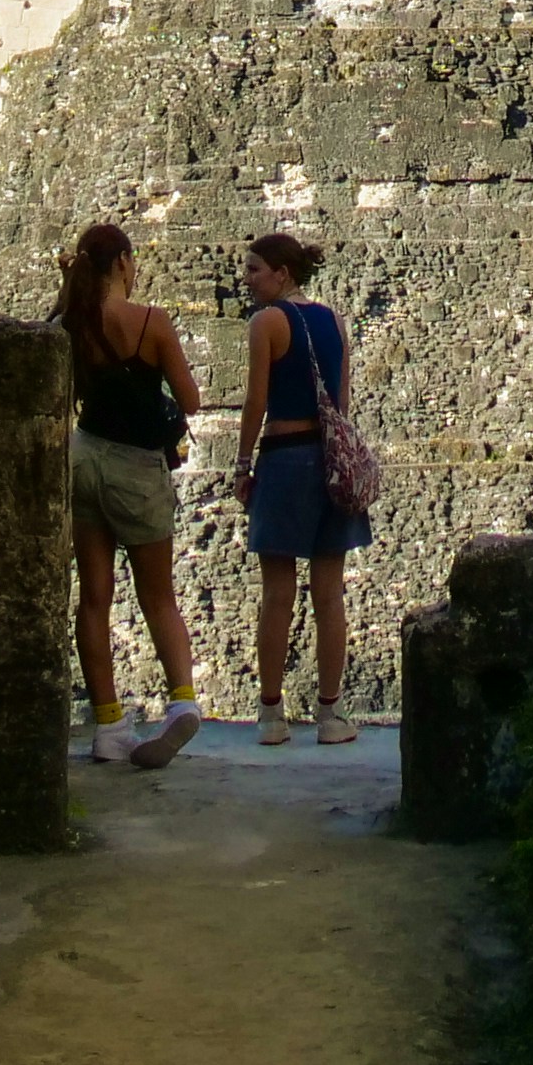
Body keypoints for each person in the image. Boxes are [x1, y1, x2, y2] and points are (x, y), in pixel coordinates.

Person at [56, 222, 207, 769]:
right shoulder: (151, 322)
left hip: (84, 456)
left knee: (94, 598)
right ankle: (181, 703)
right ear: (122, 262)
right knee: (157, 595)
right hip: (137, 469)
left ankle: (108, 723)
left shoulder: (71, 322)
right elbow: (189, 400)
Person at [231, 229, 370, 745]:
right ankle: (330, 714)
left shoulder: (267, 323)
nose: (246, 279)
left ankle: (271, 715)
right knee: (329, 592)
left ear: (281, 273)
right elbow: (343, 400)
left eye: (253, 269)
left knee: (278, 591)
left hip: (286, 459)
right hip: (330, 460)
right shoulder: (332, 319)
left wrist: (243, 464)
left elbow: (256, 402)